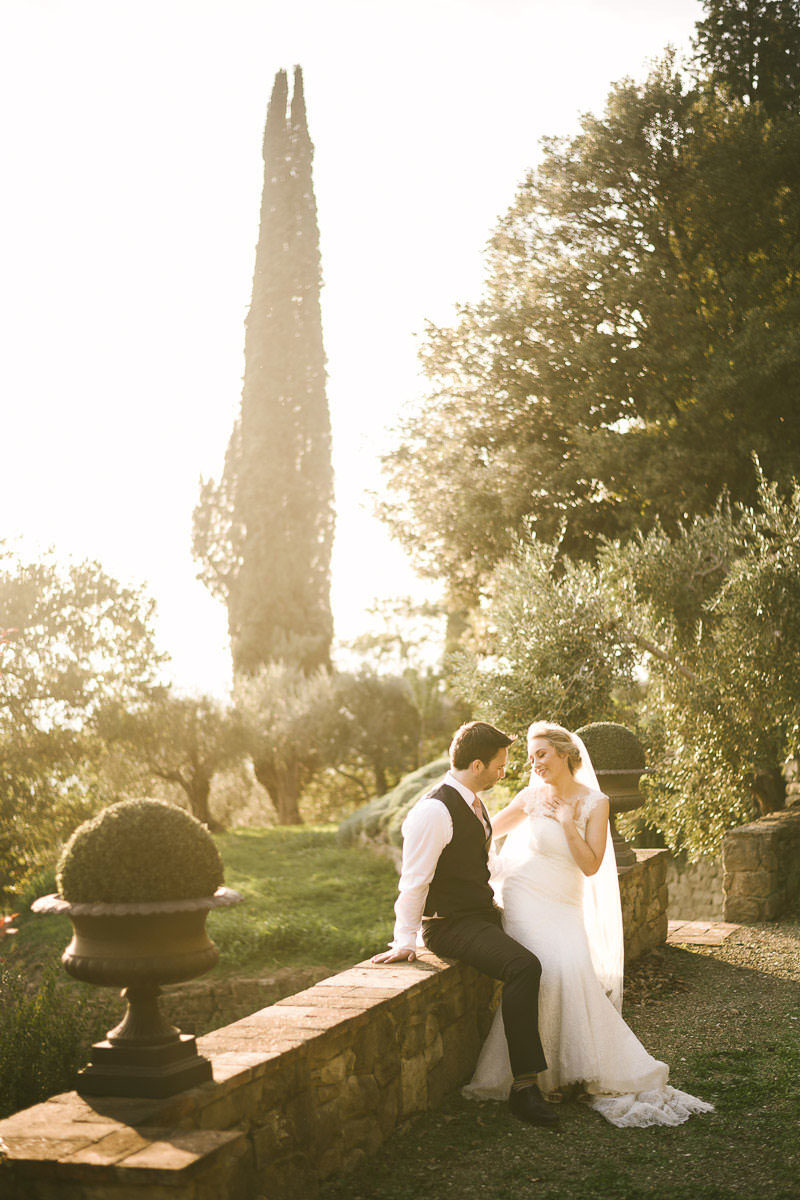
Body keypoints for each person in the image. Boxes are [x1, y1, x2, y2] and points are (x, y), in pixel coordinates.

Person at [463, 720, 714, 1128]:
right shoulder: (530, 796)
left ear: (566, 754)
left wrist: (565, 820)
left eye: (541, 754)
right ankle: (538, 1078)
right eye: (530, 756)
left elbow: (592, 864)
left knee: (572, 969)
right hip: (524, 897)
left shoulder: (595, 803)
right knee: (546, 972)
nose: (534, 763)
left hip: (564, 903)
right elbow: (486, 831)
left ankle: (571, 1071)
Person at [372, 720, 559, 1129]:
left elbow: (481, 865)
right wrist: (405, 940)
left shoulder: (474, 801)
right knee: (525, 967)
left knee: (555, 952)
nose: (503, 772)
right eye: (499, 765)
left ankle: (559, 1065)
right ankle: (525, 1087)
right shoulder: (434, 810)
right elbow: (414, 880)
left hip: (480, 913)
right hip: (449, 924)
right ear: (477, 764)